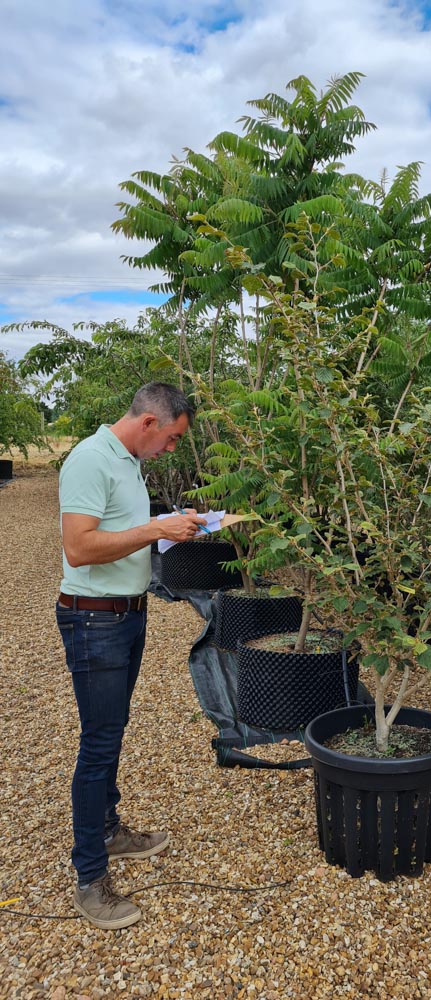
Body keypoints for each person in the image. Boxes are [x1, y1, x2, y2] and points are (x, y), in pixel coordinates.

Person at [56, 382, 207, 930]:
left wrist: (170, 532)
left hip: (125, 614)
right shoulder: (90, 460)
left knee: (112, 731)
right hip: (94, 619)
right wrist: (153, 528)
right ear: (148, 422)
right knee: (98, 743)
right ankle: (90, 878)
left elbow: (122, 535)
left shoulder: (128, 462)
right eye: (170, 439)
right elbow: (79, 546)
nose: (171, 450)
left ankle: (109, 831)